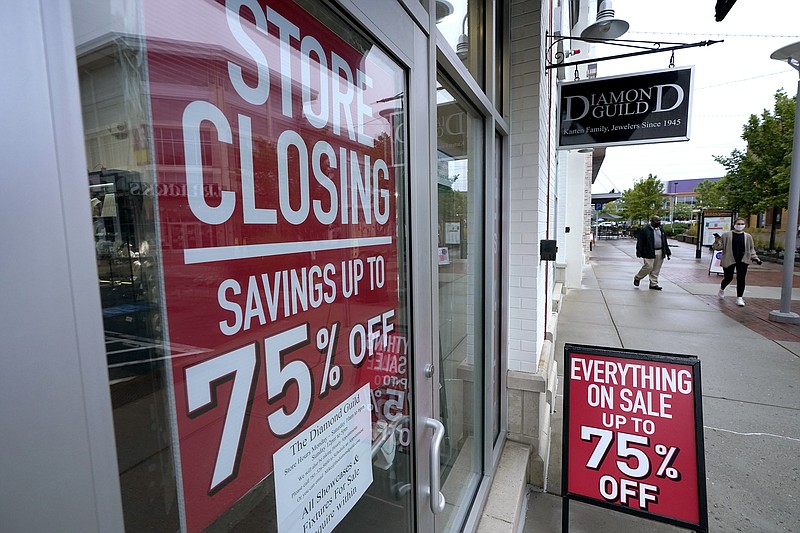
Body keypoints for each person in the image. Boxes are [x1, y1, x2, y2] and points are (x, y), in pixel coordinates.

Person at [712, 217, 762, 306]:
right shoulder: (726, 235)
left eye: (742, 224)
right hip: (729, 259)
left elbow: (751, 249)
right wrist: (716, 241)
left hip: (743, 259)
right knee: (728, 277)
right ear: (734, 225)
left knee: (741, 278)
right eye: (738, 224)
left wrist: (755, 258)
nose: (740, 226)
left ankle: (739, 298)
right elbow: (718, 247)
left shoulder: (748, 236)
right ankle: (722, 288)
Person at [634, 215, 671, 290]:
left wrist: (667, 251)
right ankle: (638, 277)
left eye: (659, 220)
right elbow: (640, 241)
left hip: (660, 250)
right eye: (656, 221)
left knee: (656, 269)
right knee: (649, 266)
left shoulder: (661, 229)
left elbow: (664, 241)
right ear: (652, 221)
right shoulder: (645, 230)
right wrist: (639, 252)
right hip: (648, 251)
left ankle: (653, 283)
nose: (658, 222)